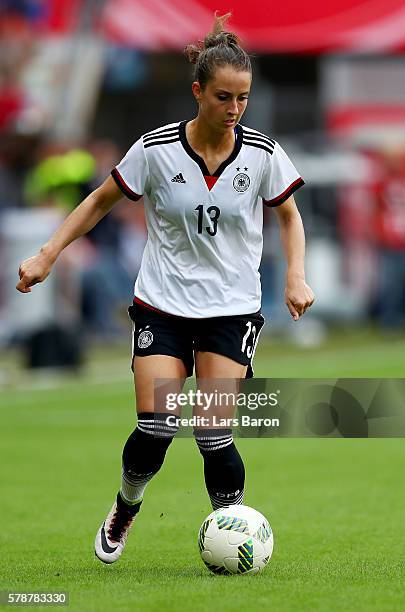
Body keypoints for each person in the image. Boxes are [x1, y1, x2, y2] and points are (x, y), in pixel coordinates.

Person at [16, 13, 314, 565]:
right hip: (163, 306)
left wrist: (295, 275)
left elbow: (290, 217)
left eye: (243, 98)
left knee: (212, 434)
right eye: (224, 96)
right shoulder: (154, 151)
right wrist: (48, 253)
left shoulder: (264, 155)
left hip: (232, 310)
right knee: (156, 425)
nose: (234, 109)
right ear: (198, 91)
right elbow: (100, 200)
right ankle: (127, 506)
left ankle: (233, 528)